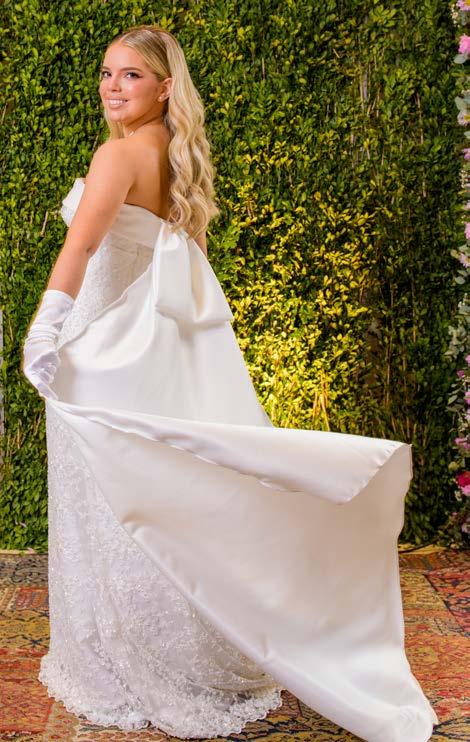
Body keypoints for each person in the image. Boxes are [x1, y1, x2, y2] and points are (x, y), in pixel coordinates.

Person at [22, 24, 438, 741]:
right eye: (108, 72)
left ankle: (122, 660)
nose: (113, 87)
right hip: (146, 352)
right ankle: (174, 644)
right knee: (159, 501)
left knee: (114, 501)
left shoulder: (118, 154)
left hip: (99, 348)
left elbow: (81, 246)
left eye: (131, 75)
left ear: (164, 88)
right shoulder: (175, 157)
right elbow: (189, 271)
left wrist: (43, 331)